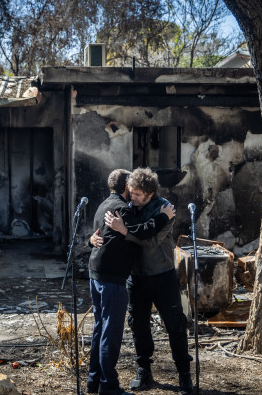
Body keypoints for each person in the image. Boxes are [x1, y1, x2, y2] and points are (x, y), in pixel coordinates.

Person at [92, 167, 194, 395]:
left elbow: (150, 240)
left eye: (137, 194)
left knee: (175, 326)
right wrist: (94, 238)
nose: (133, 198)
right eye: (131, 193)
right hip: (136, 278)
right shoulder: (129, 207)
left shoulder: (165, 209)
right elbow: (110, 233)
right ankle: (144, 371)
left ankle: (184, 375)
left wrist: (124, 231)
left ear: (150, 193)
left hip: (163, 276)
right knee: (138, 326)